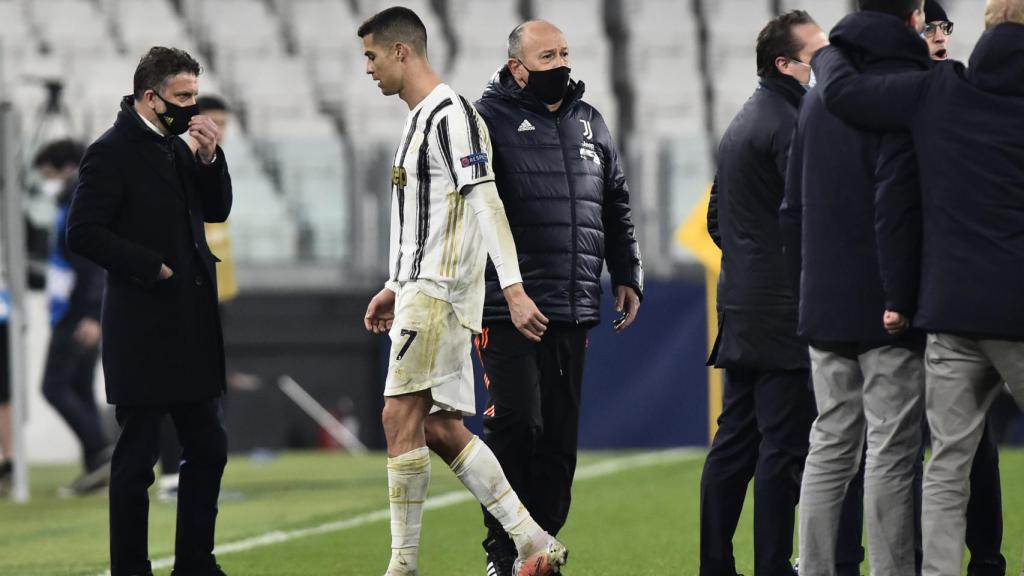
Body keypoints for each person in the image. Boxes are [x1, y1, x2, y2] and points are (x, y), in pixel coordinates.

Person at [811, 1, 1024, 573]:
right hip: (1017, 317)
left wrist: (828, 53)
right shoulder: (941, 85)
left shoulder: (942, 91)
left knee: (946, 465)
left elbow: (846, 97)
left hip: (949, 313)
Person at [357, 8, 567, 576]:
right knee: (437, 427)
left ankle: (401, 567)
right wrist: (393, 285)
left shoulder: (452, 115)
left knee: (396, 418)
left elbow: (484, 202)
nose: (369, 70)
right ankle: (531, 540)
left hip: (440, 293)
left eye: (373, 57)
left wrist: (515, 289)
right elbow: (424, 217)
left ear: (402, 52)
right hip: (420, 289)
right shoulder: (418, 118)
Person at [469, 19, 643, 575]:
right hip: (507, 308)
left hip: (572, 307)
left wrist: (627, 272)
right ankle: (504, 553)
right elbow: (469, 210)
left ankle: (538, 553)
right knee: (517, 428)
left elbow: (614, 200)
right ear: (517, 67)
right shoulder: (484, 119)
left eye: (565, 52)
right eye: (548, 56)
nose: (561, 64)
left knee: (559, 448)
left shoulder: (589, 120)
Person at [700, 12, 868, 576]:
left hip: (743, 306)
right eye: (816, 55)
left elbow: (717, 220)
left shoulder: (744, 120)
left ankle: (716, 564)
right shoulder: (796, 123)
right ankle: (773, 566)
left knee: (734, 445)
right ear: (785, 64)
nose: (826, 64)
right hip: (784, 312)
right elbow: (809, 218)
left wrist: (753, 264)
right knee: (784, 452)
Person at [66, 46, 232, 576]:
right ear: (149, 97)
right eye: (182, 97)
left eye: (194, 96)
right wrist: (150, 266)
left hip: (190, 325)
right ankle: (130, 569)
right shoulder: (110, 151)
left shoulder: (177, 147)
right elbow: (83, 232)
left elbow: (217, 209)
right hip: (143, 327)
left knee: (208, 444)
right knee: (138, 458)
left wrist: (210, 158)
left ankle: (195, 564)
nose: (192, 107)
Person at [779, 1, 931, 574]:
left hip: (824, 301)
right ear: (912, 16)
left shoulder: (817, 96)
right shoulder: (898, 92)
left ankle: (812, 567)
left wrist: (806, 292)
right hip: (884, 306)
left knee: (831, 443)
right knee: (891, 451)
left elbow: (790, 208)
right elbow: (895, 203)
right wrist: (899, 295)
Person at [158, 94, 241, 504]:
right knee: (179, 387)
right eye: (215, 121)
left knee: (207, 390)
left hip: (214, 297)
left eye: (225, 123)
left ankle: (197, 469)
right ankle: (173, 472)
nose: (220, 130)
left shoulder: (215, 169)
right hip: (185, 293)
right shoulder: (181, 168)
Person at [33, 139, 113, 497]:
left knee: (54, 386)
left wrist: (91, 314)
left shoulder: (81, 199)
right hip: (79, 309)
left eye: (48, 173)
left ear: (65, 168)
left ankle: (100, 452)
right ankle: (96, 468)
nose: (46, 182)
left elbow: (94, 262)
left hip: (79, 313)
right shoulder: (75, 198)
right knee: (78, 387)